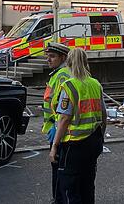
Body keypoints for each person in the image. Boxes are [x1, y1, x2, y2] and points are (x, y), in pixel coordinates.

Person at [50, 48, 107, 204]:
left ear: (68, 63)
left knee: (70, 188)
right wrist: (101, 136)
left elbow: (64, 119)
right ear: (86, 62)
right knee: (88, 185)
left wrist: (55, 146)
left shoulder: (69, 86)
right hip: (93, 142)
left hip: (74, 145)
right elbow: (104, 115)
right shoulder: (95, 84)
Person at [42, 42, 71, 204]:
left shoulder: (62, 75)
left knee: (58, 168)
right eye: (48, 56)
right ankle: (58, 198)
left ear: (63, 58)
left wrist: (56, 130)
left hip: (58, 129)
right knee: (57, 168)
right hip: (54, 128)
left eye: (52, 56)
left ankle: (58, 200)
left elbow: (62, 105)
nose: (48, 59)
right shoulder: (57, 74)